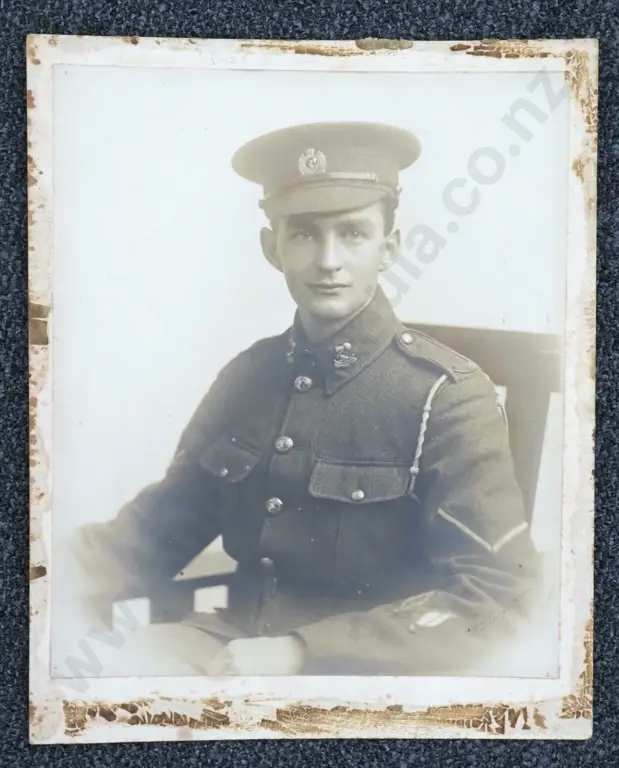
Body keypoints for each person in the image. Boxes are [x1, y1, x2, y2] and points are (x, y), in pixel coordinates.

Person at [65, 121, 539, 677]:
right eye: (305, 234)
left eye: (353, 233)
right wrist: (48, 576)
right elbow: (159, 527)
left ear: (389, 248)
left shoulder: (445, 396)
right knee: (93, 677)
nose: (329, 260)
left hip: (368, 673)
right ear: (273, 248)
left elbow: (499, 593)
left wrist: (299, 651)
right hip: (225, 645)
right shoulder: (248, 377)